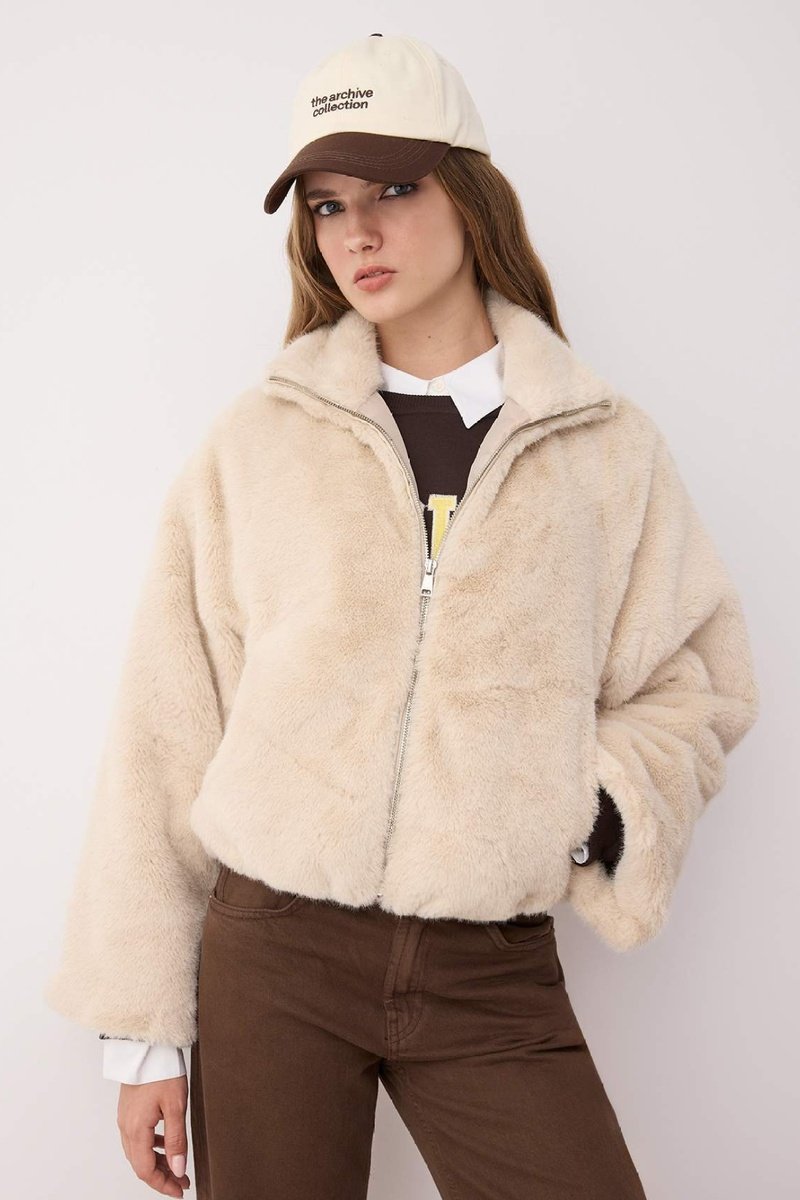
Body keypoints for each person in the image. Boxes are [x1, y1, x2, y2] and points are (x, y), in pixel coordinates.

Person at [44, 31, 759, 1200]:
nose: (357, 233)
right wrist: (143, 1035)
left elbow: (694, 685)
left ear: (468, 194)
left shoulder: (601, 449)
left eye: (391, 189)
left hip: (490, 972)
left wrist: (581, 809)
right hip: (274, 953)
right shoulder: (259, 444)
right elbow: (165, 732)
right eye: (327, 205)